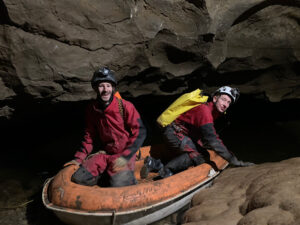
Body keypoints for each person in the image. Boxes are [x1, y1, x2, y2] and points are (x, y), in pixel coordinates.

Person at [141, 86, 254, 179]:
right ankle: (165, 171)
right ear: (215, 99)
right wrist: (234, 161)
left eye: (229, 102)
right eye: (224, 99)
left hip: (179, 133)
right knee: (198, 157)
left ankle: (154, 163)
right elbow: (213, 140)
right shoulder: (205, 111)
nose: (226, 104)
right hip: (174, 133)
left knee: (201, 152)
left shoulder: (213, 111)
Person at [65, 67, 147, 187]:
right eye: (101, 86)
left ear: (113, 88)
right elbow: (89, 137)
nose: (105, 90)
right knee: (78, 178)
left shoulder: (125, 106)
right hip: (106, 153)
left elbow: (140, 132)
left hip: (124, 153)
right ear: (95, 89)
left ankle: (134, 176)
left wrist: (126, 156)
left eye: (108, 86)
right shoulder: (92, 110)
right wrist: (78, 158)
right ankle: (106, 178)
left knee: (119, 185)